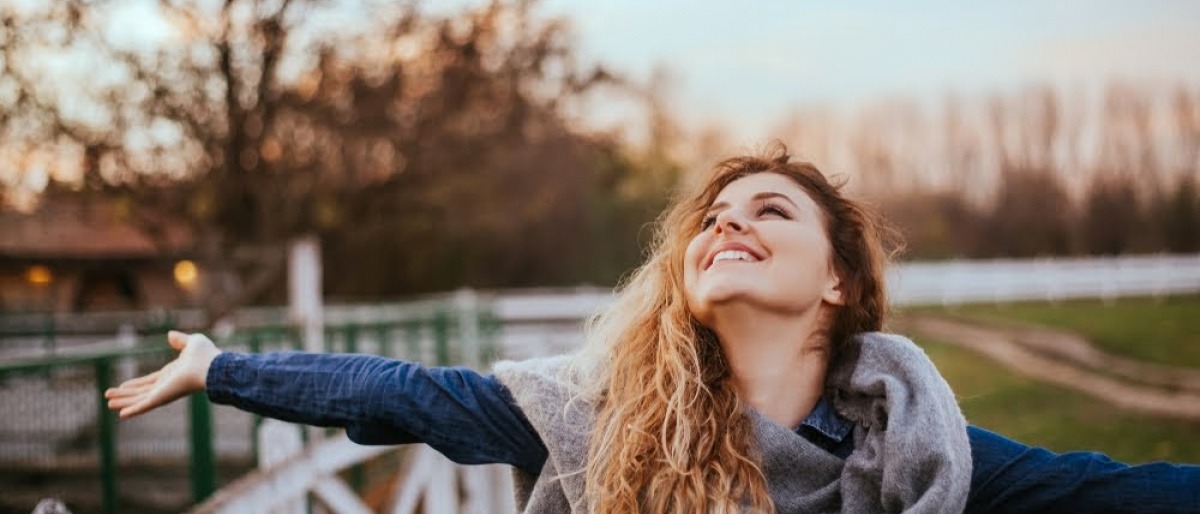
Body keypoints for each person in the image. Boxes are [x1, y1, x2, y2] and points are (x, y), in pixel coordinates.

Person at [106, 143, 1199, 513]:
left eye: (771, 211)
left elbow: (1111, 489)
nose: (729, 223)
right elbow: (405, 393)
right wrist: (222, 368)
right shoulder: (600, 423)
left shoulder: (917, 453)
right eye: (716, 217)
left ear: (839, 281)